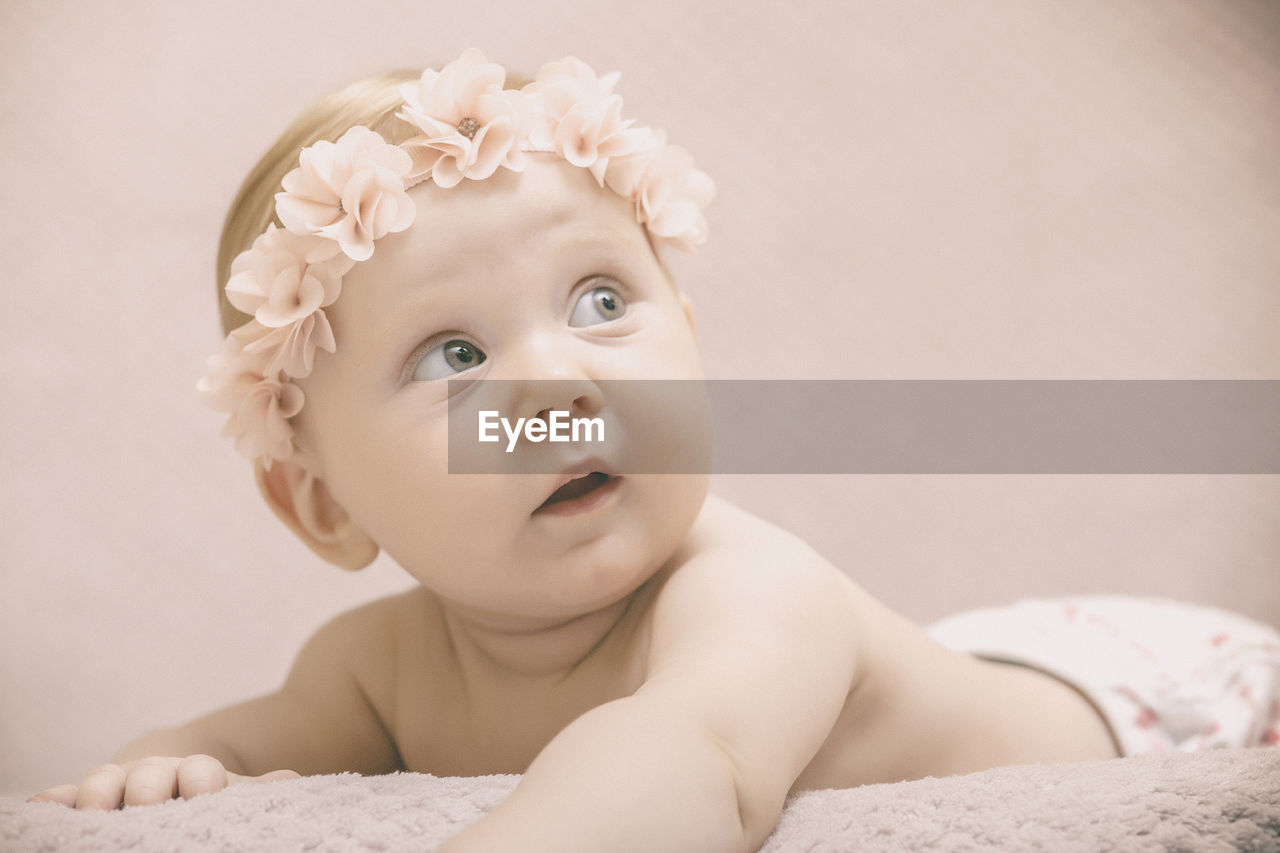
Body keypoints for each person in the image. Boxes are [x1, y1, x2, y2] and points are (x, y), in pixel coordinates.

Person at [28, 49, 1280, 853]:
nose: (562, 380)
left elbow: (692, 763)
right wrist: (160, 770)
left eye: (598, 303)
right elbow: (256, 739)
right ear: (320, 505)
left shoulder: (745, 589)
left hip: (1159, 693)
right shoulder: (373, 663)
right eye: (454, 357)